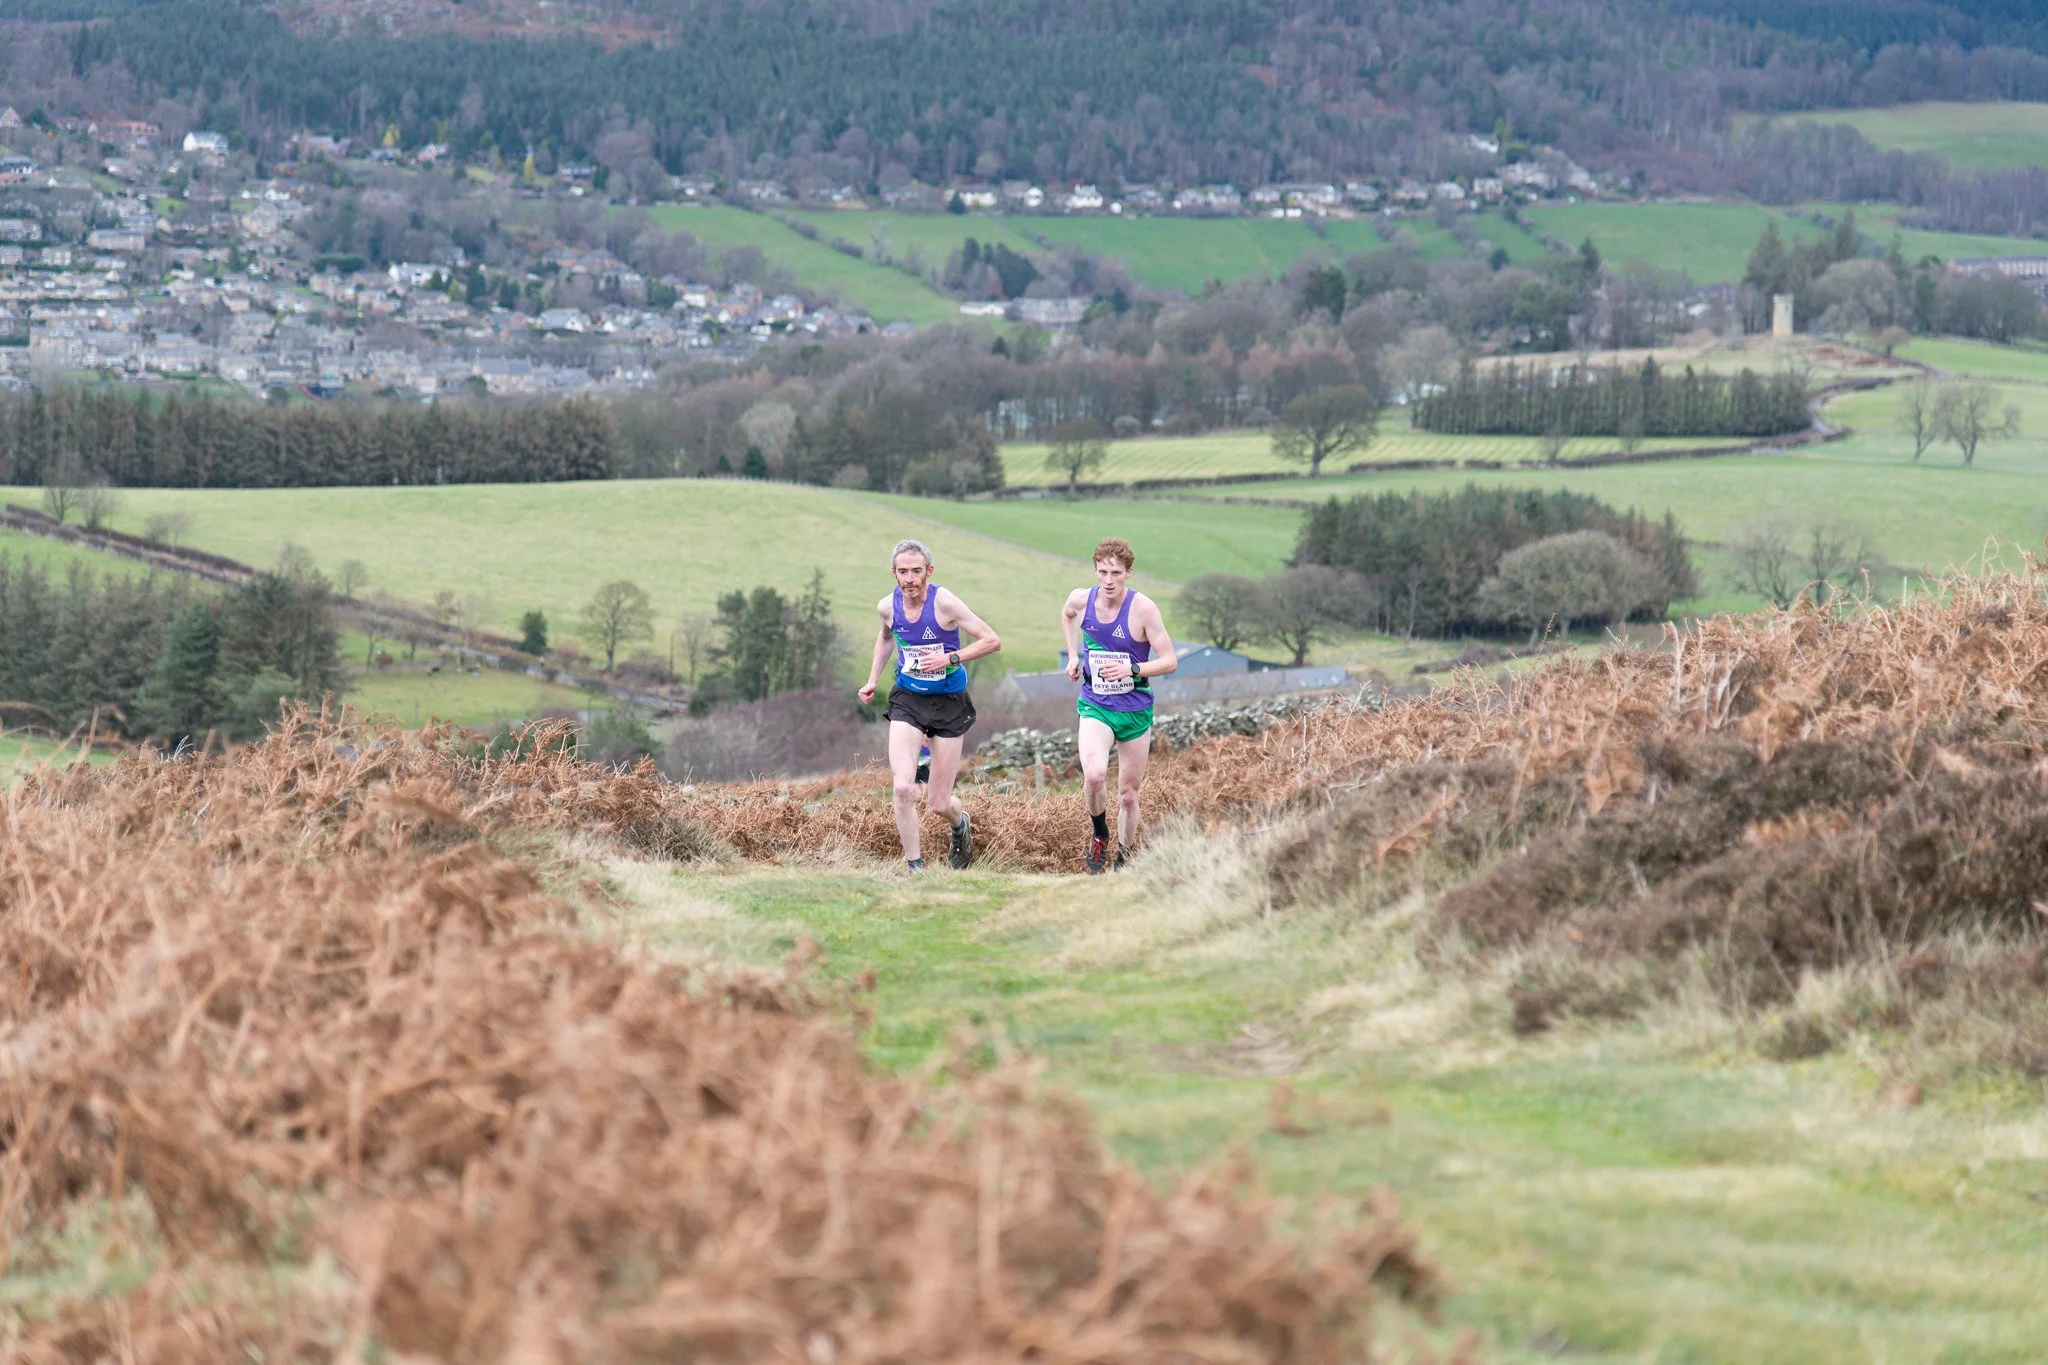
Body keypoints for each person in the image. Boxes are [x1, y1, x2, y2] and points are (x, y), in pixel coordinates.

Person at [859, 539, 1002, 871]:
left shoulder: (945, 603)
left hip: (950, 701)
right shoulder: (887, 607)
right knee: (903, 786)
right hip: (908, 699)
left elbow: (992, 640)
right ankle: (916, 870)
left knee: (938, 802)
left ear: (929, 572)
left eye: (916, 571)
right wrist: (872, 679)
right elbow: (885, 637)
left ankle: (959, 824)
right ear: (894, 573)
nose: (910, 579)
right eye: (903, 572)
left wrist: (950, 657)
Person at [1061, 537, 1177, 873]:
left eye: (1115, 573)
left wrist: (1132, 668)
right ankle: (1100, 836)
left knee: (1128, 794)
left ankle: (1124, 860)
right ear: (1094, 570)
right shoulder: (1081, 600)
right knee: (1095, 775)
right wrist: (1072, 655)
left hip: (1135, 709)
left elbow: (1170, 661)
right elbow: (1067, 615)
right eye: (1102, 572)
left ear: (1128, 573)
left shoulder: (1143, 609)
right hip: (1096, 703)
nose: (1108, 580)